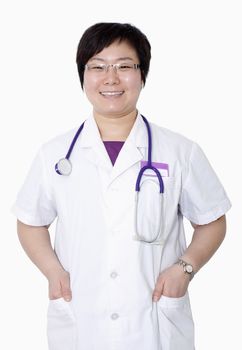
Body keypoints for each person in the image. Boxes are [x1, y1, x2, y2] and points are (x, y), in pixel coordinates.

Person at [12, 22, 231, 350]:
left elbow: (212, 220)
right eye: (97, 67)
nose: (110, 78)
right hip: (81, 317)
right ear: (82, 76)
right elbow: (30, 220)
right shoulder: (54, 155)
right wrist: (52, 271)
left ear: (142, 74)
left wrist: (185, 268)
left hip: (154, 321)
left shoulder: (180, 151)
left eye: (124, 66)